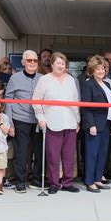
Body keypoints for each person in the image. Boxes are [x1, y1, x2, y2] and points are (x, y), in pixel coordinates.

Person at [32, 52, 81, 194]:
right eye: (58, 63)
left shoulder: (71, 80)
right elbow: (36, 100)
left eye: (63, 63)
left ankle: (67, 182)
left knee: (69, 156)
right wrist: (41, 118)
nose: (61, 66)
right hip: (52, 122)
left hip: (70, 122)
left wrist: (77, 120)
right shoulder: (44, 80)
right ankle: (54, 183)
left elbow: (75, 101)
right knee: (53, 156)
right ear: (52, 64)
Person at [5, 50, 43, 193]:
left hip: (39, 120)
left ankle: (37, 179)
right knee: (21, 152)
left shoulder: (42, 78)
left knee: (39, 151)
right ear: (23, 62)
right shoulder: (15, 78)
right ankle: (20, 181)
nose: (32, 63)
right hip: (20, 119)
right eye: (29, 60)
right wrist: (10, 123)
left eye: (34, 60)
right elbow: (8, 100)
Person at [80, 55, 111, 193]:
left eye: (103, 68)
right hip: (95, 124)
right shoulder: (88, 84)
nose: (101, 71)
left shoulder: (107, 84)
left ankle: (97, 179)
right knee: (92, 153)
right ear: (92, 69)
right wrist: (91, 124)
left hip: (106, 122)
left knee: (102, 153)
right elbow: (86, 106)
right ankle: (89, 181)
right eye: (98, 68)